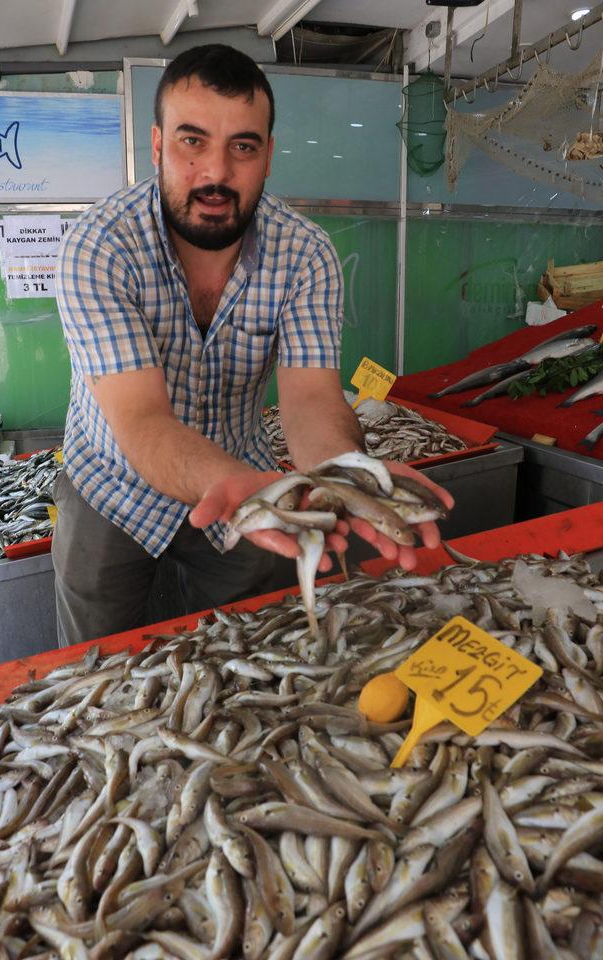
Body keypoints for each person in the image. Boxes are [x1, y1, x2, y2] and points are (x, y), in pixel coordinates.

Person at [52, 43, 453, 646]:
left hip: (249, 483)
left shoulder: (306, 254)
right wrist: (247, 487)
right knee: (97, 669)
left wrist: (348, 472)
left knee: (245, 654)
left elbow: (311, 400)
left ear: (268, 157)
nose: (216, 173)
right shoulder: (98, 248)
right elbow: (140, 421)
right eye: (192, 142)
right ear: (157, 145)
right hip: (113, 490)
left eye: (243, 146)